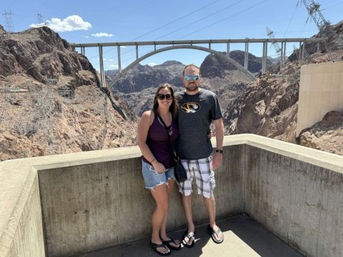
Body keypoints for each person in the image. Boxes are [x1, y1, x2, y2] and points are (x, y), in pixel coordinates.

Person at [176, 64, 225, 247]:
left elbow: (219, 125)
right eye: (188, 77)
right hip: (182, 158)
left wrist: (218, 152)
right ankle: (190, 228)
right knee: (186, 193)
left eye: (195, 77)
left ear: (200, 78)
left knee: (207, 192)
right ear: (183, 79)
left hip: (204, 156)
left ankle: (213, 224)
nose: (192, 80)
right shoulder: (175, 99)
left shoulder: (210, 98)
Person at [137, 83, 181, 255]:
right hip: (152, 167)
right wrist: (154, 162)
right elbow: (140, 142)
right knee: (162, 205)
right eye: (161, 96)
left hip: (170, 166)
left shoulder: (173, 116)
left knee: (166, 204)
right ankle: (155, 238)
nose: (165, 99)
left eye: (168, 96)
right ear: (156, 98)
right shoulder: (148, 116)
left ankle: (164, 234)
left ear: (172, 99)